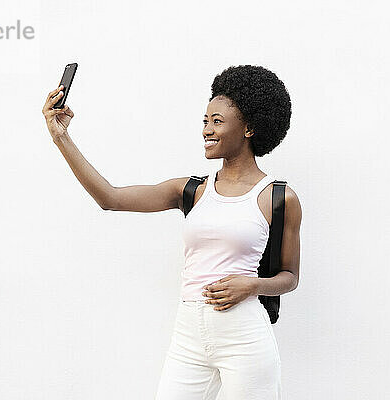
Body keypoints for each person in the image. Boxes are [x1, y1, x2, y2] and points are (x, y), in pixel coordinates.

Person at [41, 65, 301, 399]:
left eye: (217, 121)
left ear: (249, 128)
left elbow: (289, 276)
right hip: (189, 332)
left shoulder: (278, 198)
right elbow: (110, 198)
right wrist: (61, 137)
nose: (207, 129)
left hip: (244, 335)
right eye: (205, 121)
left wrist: (252, 284)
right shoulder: (191, 191)